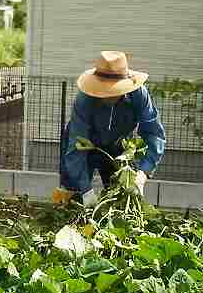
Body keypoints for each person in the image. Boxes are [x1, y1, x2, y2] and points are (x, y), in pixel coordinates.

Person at [59, 51, 166, 205]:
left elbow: (153, 133)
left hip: (117, 148)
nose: (107, 94)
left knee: (119, 198)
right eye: (103, 89)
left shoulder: (139, 95)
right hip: (85, 145)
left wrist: (143, 173)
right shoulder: (85, 99)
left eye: (113, 90)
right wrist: (86, 191)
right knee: (74, 196)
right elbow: (77, 145)